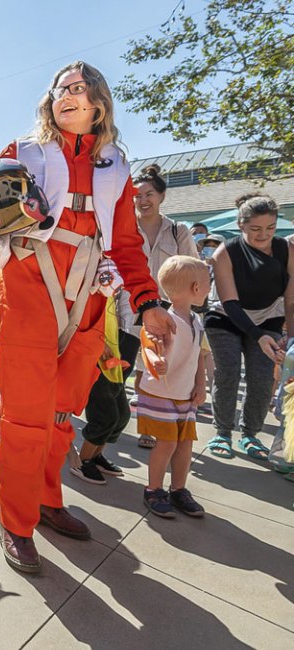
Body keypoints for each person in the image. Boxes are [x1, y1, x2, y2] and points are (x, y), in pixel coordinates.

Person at [0, 61, 172, 573]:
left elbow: (125, 244)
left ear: (99, 101)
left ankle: (48, 501)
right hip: (26, 293)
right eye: (61, 88)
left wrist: (148, 303)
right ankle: (16, 521)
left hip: (89, 303)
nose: (69, 95)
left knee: (59, 417)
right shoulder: (24, 151)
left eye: (80, 88)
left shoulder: (116, 165)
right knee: (26, 419)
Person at [205, 193, 293, 460]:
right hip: (227, 317)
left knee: (262, 376)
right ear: (241, 225)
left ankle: (250, 434)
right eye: (255, 229)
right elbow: (230, 303)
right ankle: (222, 431)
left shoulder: (286, 250)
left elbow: (290, 298)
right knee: (229, 372)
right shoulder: (225, 253)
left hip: (268, 317)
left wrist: (291, 339)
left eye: (270, 228)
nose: (263, 235)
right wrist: (257, 337)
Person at [131, 164, 199, 449]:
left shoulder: (177, 230)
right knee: (141, 367)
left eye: (148, 194)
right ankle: (147, 425)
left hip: (169, 308)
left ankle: (169, 422)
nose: (142, 200)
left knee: (166, 364)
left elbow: (193, 268)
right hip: (130, 305)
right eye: (136, 196)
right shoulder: (124, 230)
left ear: (161, 196)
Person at [139, 256, 210, 517]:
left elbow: (200, 356)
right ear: (194, 288)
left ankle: (178, 489)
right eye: (207, 283)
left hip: (185, 393)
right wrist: (156, 360)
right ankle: (153, 489)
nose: (209, 288)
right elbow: (148, 342)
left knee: (185, 442)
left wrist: (201, 385)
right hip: (163, 392)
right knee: (167, 442)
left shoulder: (196, 321)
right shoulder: (165, 319)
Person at [72, 288, 139, 484]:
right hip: (101, 348)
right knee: (105, 414)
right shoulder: (101, 265)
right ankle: (81, 461)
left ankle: (95, 456)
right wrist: (96, 340)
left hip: (125, 340)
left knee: (121, 416)